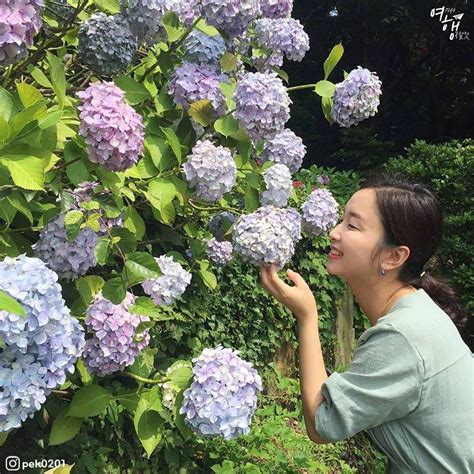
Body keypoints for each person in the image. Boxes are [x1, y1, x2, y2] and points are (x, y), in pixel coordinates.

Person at [260, 173, 473, 473]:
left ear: (394, 256)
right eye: (341, 220)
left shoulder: (403, 335)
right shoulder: (419, 310)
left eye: (352, 225)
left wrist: (307, 317)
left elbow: (323, 422)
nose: (334, 232)